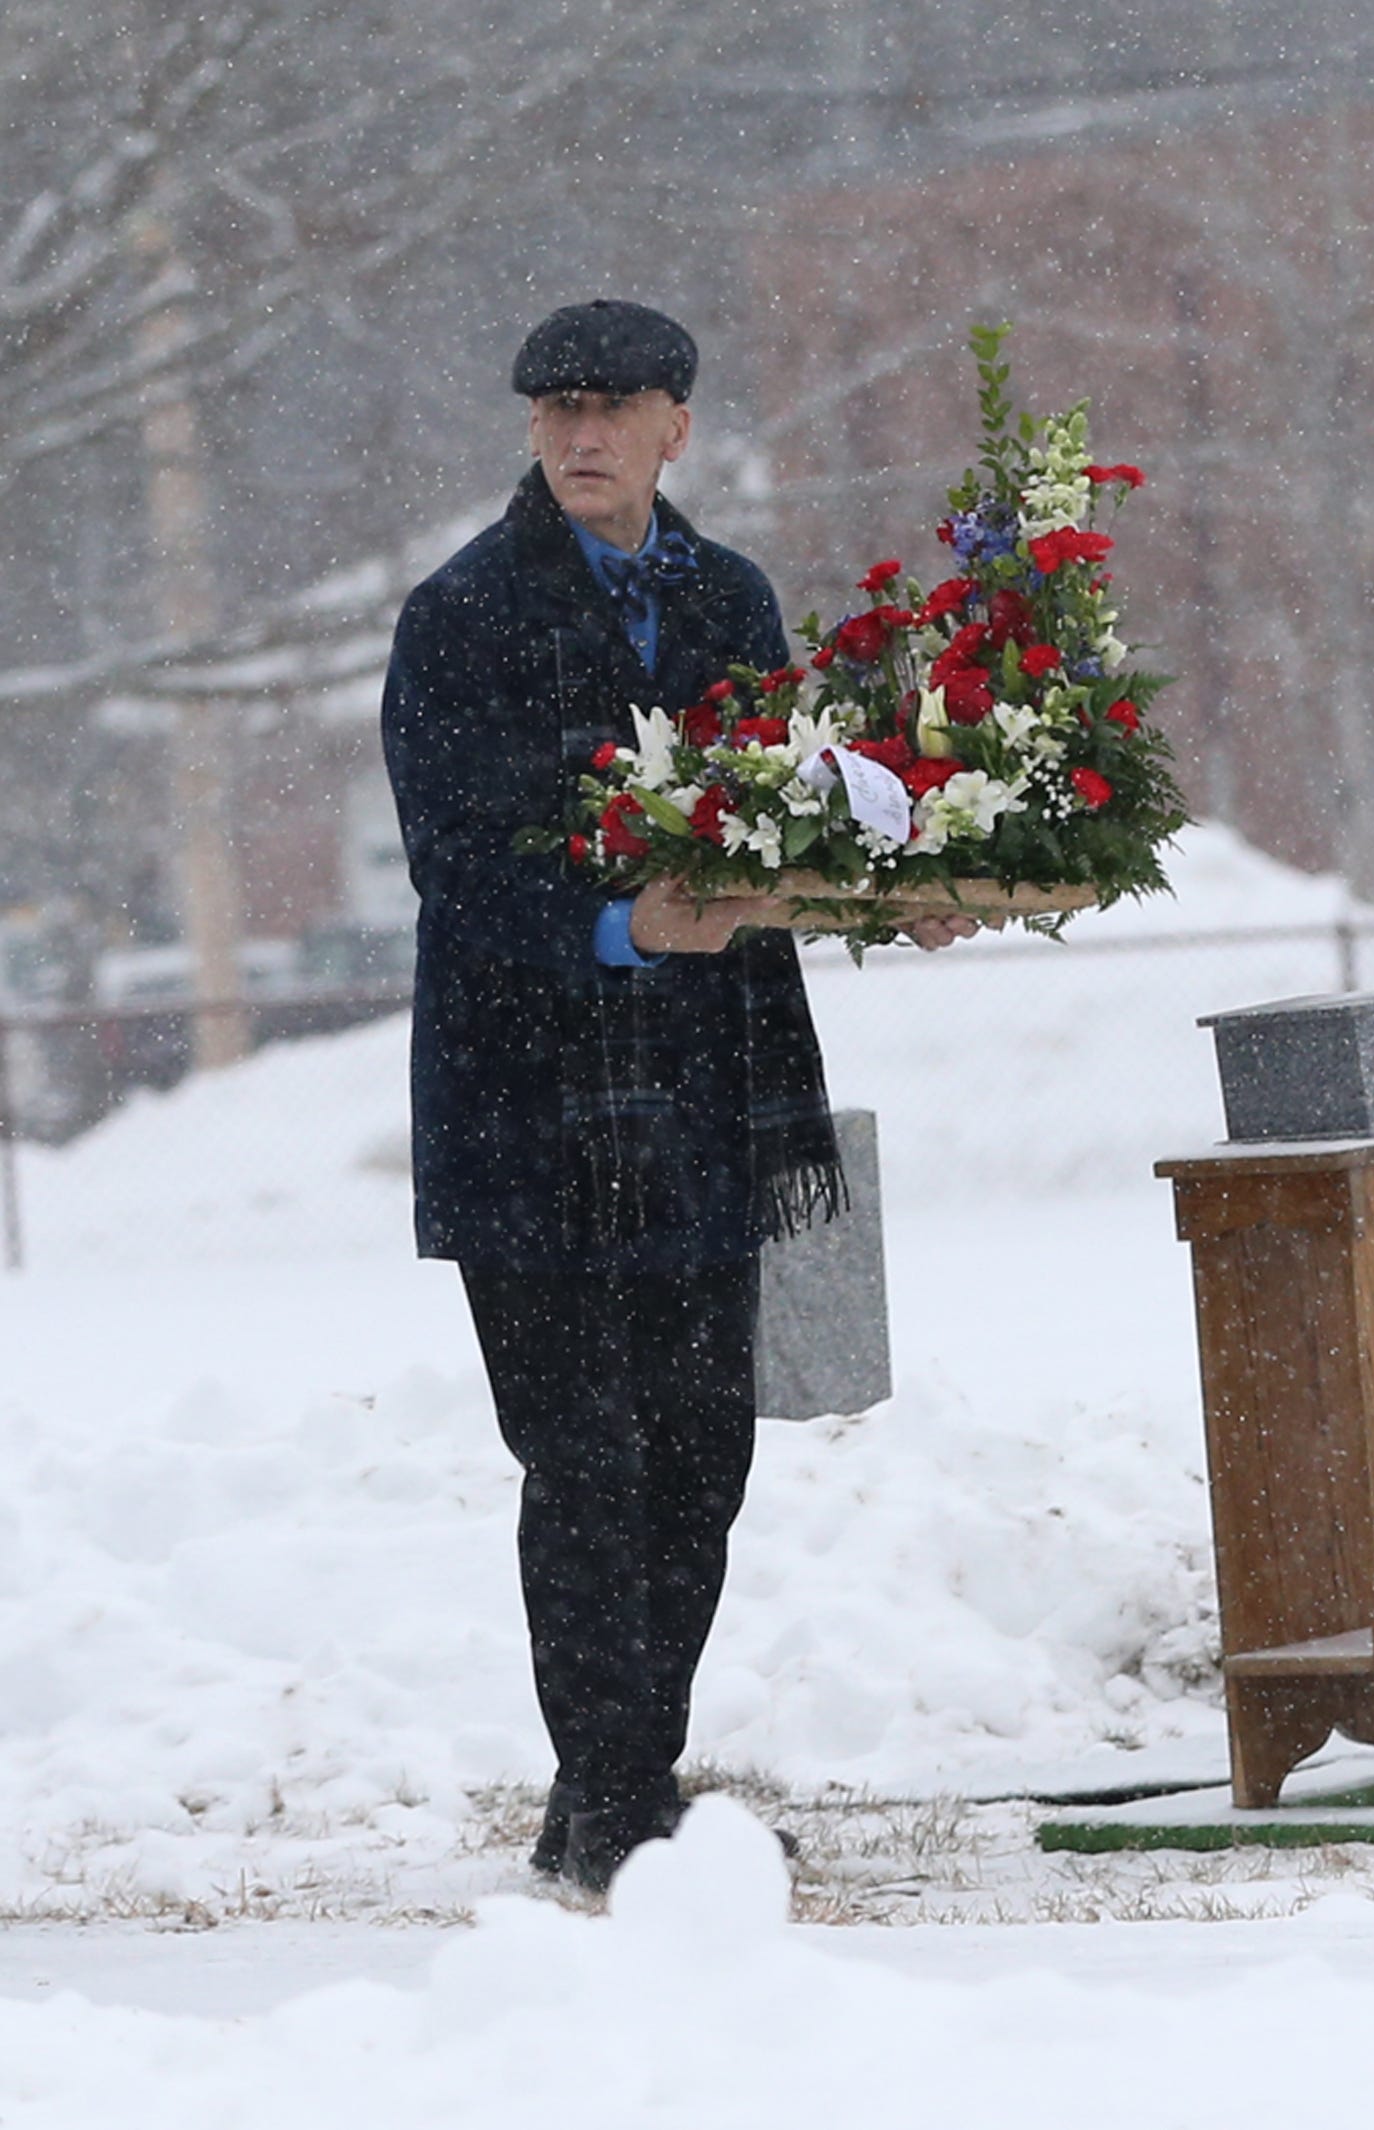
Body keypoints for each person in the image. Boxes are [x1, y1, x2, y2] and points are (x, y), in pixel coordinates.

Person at [381, 299, 966, 1897]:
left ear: (674, 428)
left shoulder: (728, 596)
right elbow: (456, 860)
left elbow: (778, 820)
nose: (579, 434)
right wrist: (617, 921)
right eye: (554, 409)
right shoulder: (463, 612)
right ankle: (625, 1803)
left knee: (702, 1456)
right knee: (584, 1459)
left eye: (613, 407)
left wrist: (890, 887)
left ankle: (608, 1790)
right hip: (532, 1106)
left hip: (711, 1091)